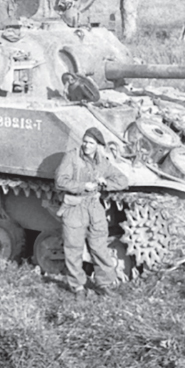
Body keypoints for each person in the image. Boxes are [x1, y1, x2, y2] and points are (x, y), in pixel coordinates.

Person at [54, 127, 128, 297]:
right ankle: (77, 287)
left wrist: (105, 184)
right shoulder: (72, 157)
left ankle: (104, 284)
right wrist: (82, 186)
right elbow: (60, 181)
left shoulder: (102, 162)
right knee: (74, 248)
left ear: (98, 145)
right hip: (75, 206)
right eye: (85, 142)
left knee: (100, 247)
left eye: (91, 143)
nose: (86, 146)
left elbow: (123, 180)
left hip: (94, 207)